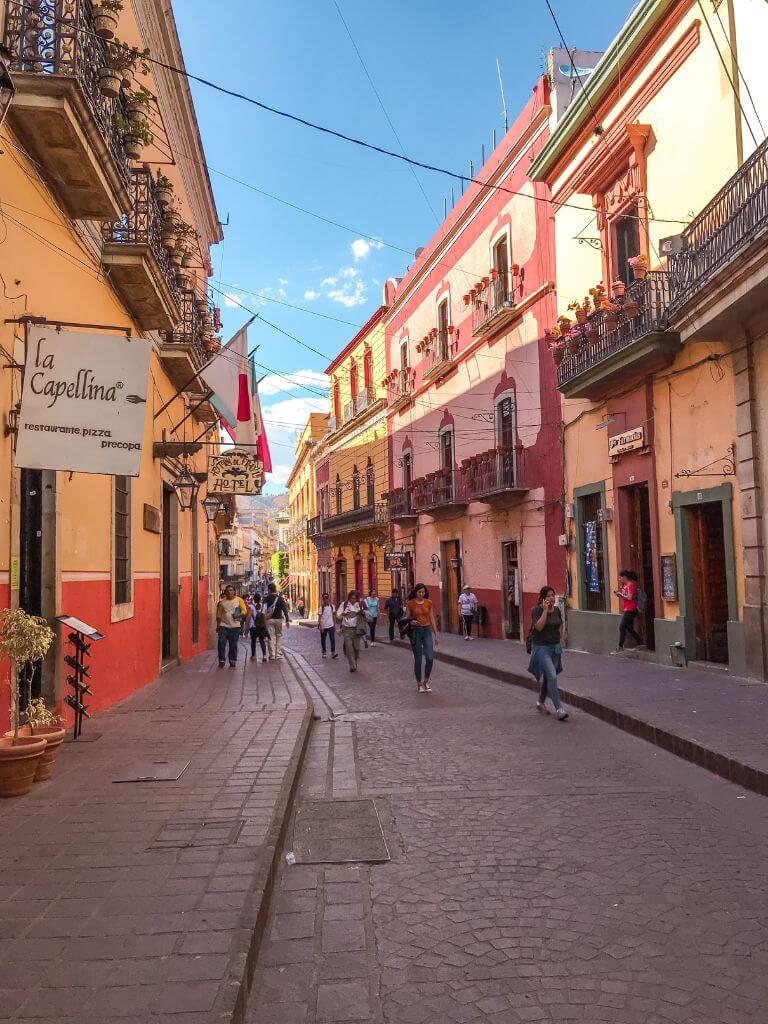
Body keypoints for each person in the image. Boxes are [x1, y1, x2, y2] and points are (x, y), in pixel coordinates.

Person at [528, 586, 568, 721]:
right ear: (543, 597)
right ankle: (559, 709)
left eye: (553, 595)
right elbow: (538, 627)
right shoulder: (536, 610)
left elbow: (560, 623)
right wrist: (545, 611)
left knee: (549, 677)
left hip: (555, 648)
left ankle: (540, 702)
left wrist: (561, 637)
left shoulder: (556, 610)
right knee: (551, 674)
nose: (552, 598)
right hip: (541, 648)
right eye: (549, 595)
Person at [406, 584, 439, 693]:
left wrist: (436, 634)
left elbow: (432, 618)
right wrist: (411, 621)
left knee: (430, 657)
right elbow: (407, 618)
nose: (421, 594)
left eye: (423, 592)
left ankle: (426, 680)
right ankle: (419, 683)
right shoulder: (410, 603)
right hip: (416, 632)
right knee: (418, 659)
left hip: (427, 631)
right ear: (415, 592)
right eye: (419, 592)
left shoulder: (428, 602)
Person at [336, 590, 368, 672]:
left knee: (356, 648)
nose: (353, 600)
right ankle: (352, 666)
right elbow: (338, 616)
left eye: (354, 598)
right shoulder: (344, 604)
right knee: (349, 648)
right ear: (349, 598)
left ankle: (355, 661)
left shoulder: (359, 605)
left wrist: (363, 613)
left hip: (356, 629)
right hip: (346, 629)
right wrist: (343, 614)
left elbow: (367, 615)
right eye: (351, 598)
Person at [216, 585, 246, 668]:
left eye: (231, 590)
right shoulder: (222, 602)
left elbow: (244, 610)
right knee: (221, 642)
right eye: (228, 590)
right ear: (225, 592)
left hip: (235, 626)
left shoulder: (239, 600)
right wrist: (218, 626)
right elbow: (218, 615)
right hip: (223, 625)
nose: (229, 592)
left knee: (233, 644)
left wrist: (239, 614)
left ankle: (232, 660)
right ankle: (221, 659)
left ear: (234, 591)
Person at [613, 569, 643, 652]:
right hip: (627, 608)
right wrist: (620, 595)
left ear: (624, 577)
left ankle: (620, 647)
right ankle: (641, 643)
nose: (620, 579)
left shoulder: (630, 585)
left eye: (620, 577)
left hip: (630, 609)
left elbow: (629, 597)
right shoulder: (625, 586)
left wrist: (621, 594)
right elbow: (625, 596)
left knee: (622, 627)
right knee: (629, 628)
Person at [264, 583, 290, 660]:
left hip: (269, 619)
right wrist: (287, 620)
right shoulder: (281, 599)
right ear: (275, 589)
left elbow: (263, 610)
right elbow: (285, 610)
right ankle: (277, 653)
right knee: (279, 635)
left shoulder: (266, 599)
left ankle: (272, 654)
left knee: (270, 636)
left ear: (269, 590)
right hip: (279, 619)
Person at [249, 595, 269, 662]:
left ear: (253, 599)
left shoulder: (251, 606)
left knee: (253, 641)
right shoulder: (264, 606)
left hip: (254, 626)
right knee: (262, 641)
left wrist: (246, 625)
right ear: (260, 599)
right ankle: (264, 655)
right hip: (262, 626)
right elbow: (266, 617)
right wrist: (266, 625)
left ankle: (253, 655)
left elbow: (249, 616)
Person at [318, 593, 338, 659]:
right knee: (323, 640)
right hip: (324, 626)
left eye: (327, 598)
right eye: (324, 598)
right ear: (323, 599)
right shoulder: (321, 608)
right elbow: (319, 618)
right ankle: (324, 652)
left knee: (332, 639)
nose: (326, 600)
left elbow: (334, 616)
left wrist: (334, 625)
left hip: (331, 625)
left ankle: (333, 652)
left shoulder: (332, 606)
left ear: (329, 598)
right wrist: (321, 627)